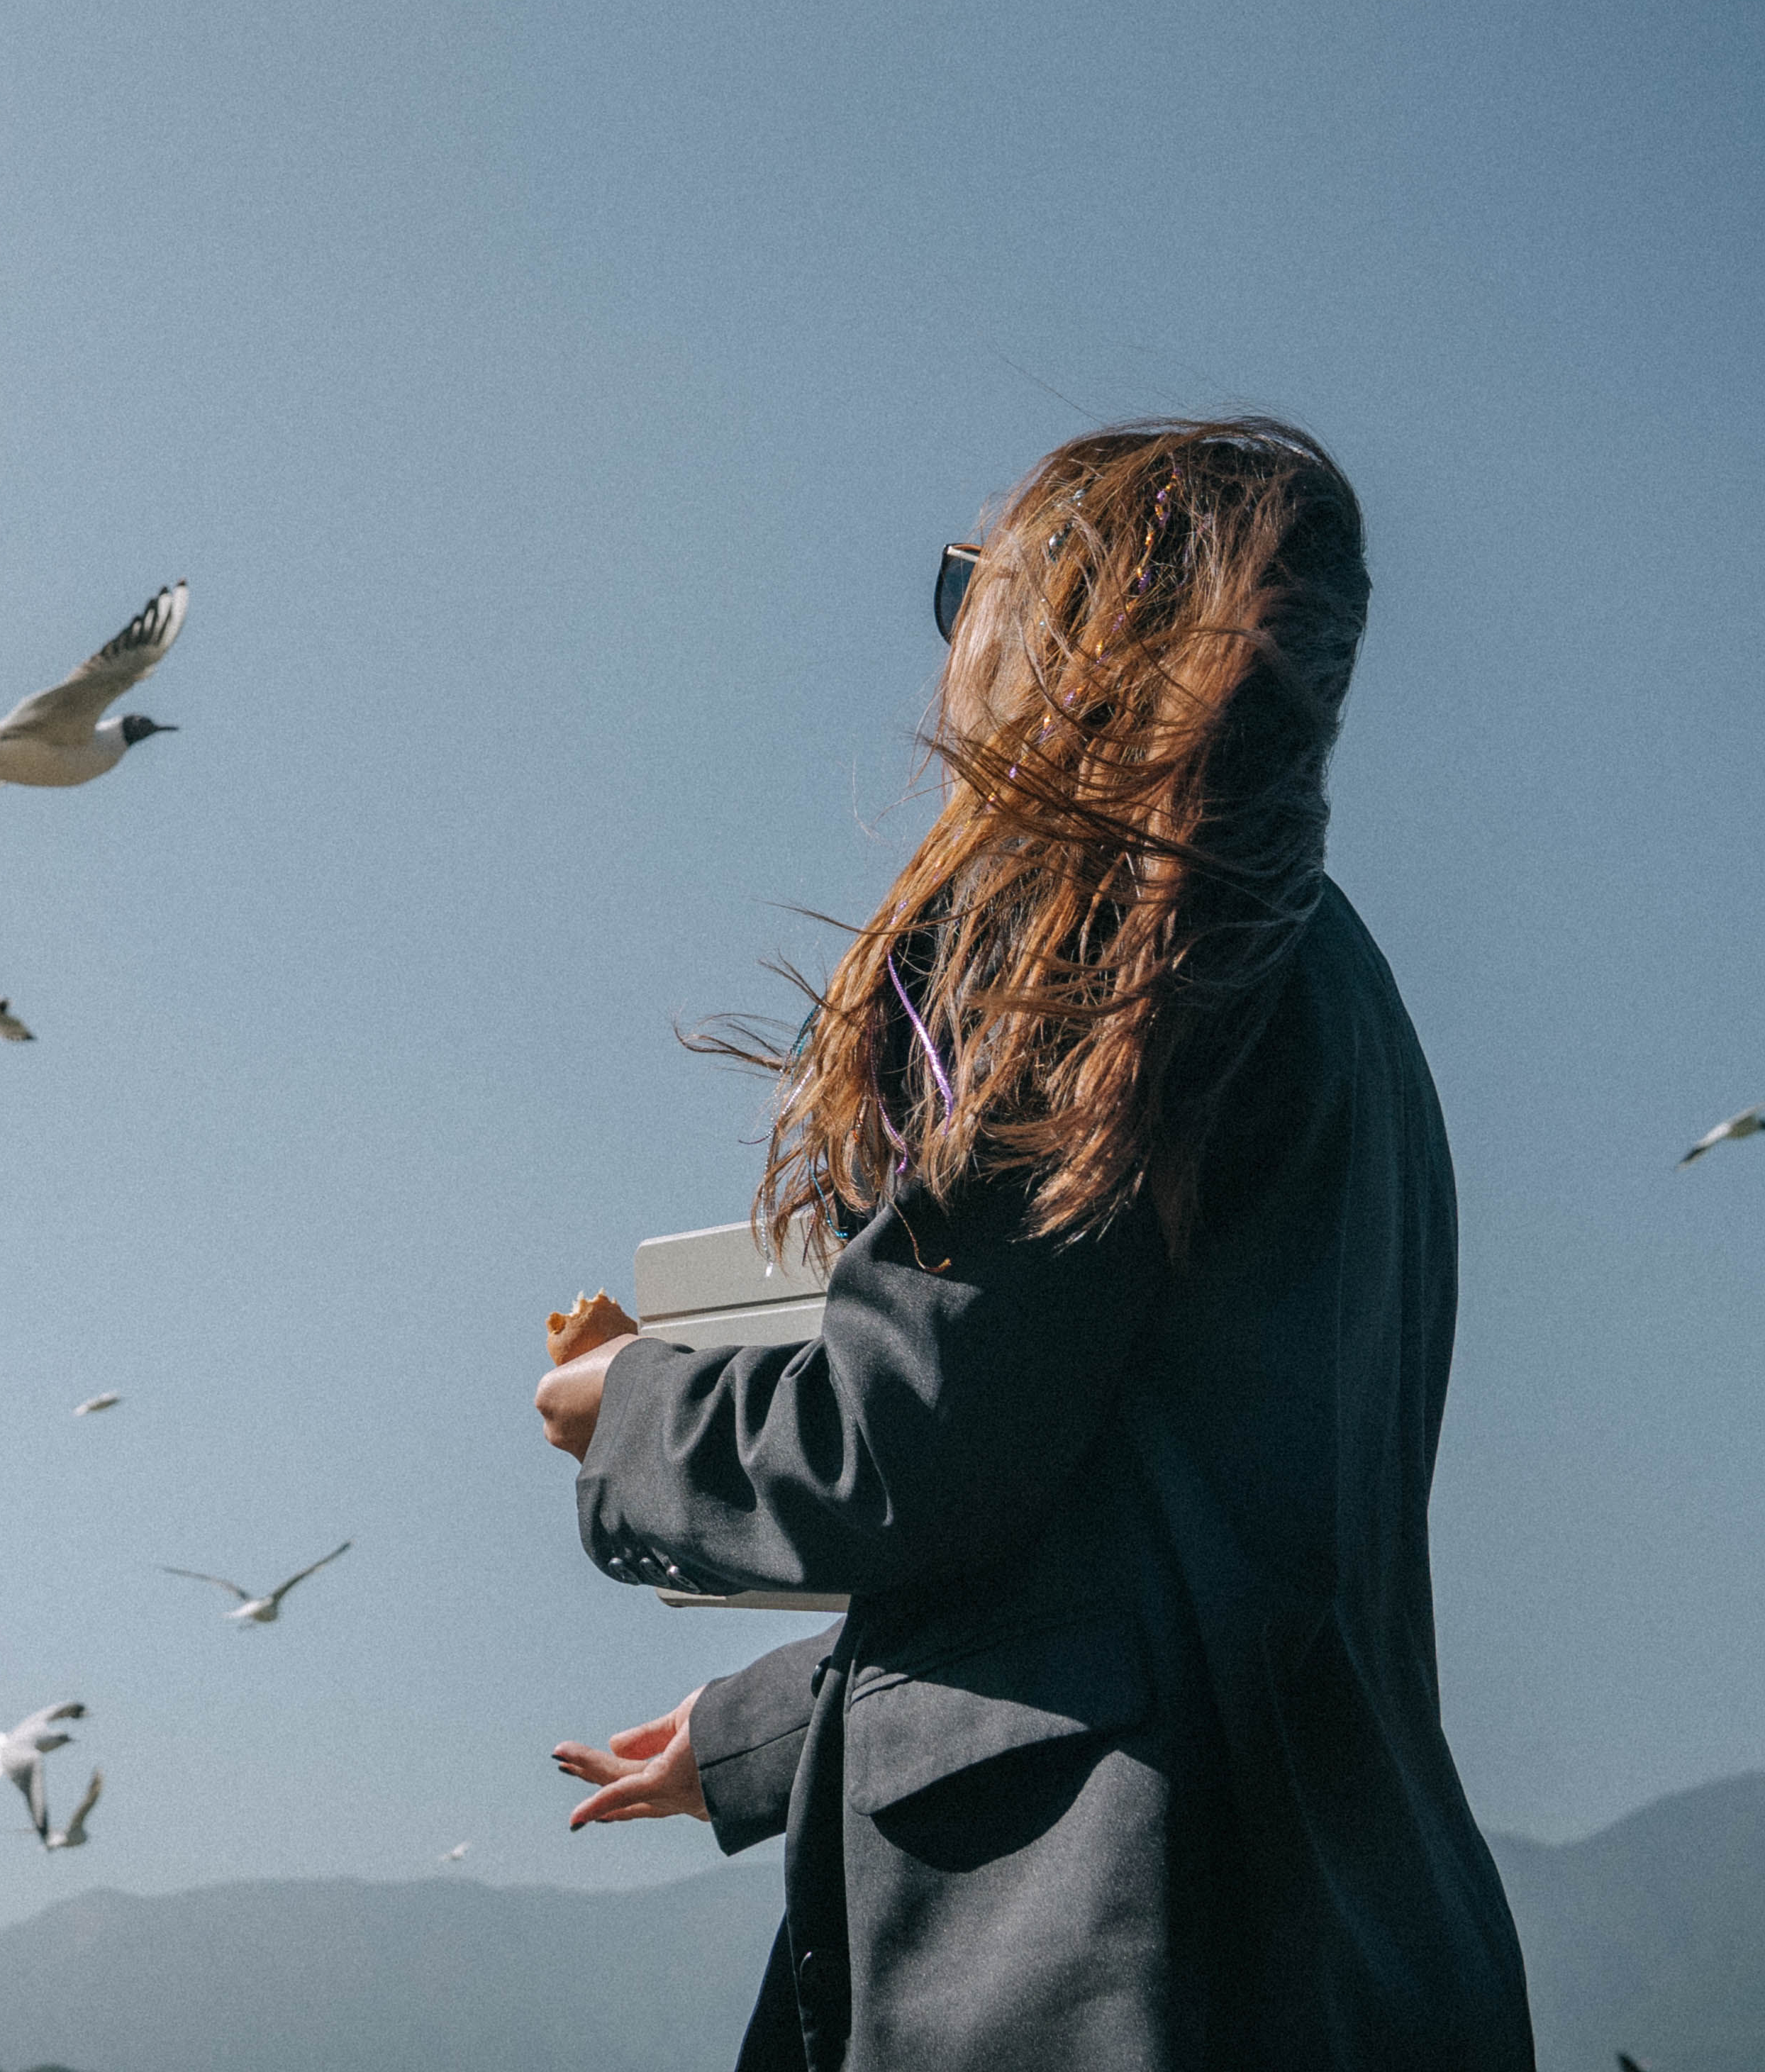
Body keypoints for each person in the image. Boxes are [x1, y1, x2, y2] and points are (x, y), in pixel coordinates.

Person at [538, 418, 1534, 2070]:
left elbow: (913, 1441)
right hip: (1354, 1931)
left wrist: (629, 1413)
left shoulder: (1080, 920)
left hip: (1104, 1940)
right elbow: (1149, 1498)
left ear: (1064, 622)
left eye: (966, 588)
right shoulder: (1334, 990)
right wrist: (768, 1733)